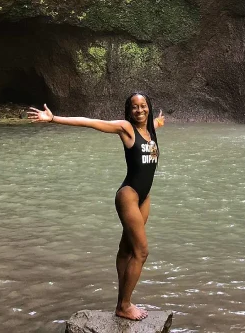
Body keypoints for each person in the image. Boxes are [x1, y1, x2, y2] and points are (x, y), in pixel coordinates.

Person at [27, 94, 165, 321]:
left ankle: (122, 300)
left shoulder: (151, 130)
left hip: (144, 197)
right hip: (129, 196)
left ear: (149, 108)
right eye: (134, 107)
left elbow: (155, 124)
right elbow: (91, 122)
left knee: (126, 249)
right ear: (128, 111)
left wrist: (159, 122)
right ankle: (124, 305)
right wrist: (53, 119)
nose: (139, 110)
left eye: (143, 106)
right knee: (141, 252)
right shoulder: (126, 128)